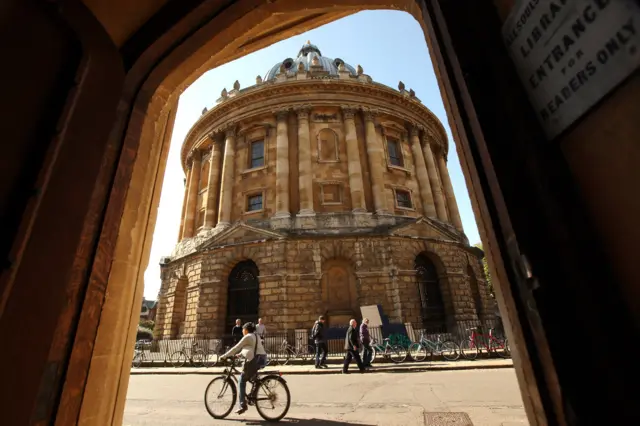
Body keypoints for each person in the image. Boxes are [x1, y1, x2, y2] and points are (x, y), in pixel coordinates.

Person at [221, 322, 267, 415]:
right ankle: (253, 395)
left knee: (241, 380)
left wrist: (224, 356)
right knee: (252, 377)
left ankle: (242, 405)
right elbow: (250, 347)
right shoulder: (255, 335)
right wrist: (240, 355)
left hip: (255, 360)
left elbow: (236, 347)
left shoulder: (247, 336)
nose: (242, 331)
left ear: (245, 330)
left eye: (243, 329)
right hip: (262, 359)